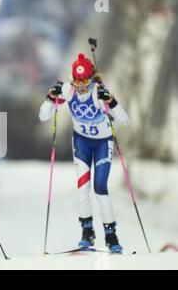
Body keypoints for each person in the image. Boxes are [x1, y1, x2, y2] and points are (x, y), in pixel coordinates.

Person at [39, 53, 130, 253]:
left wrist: (112, 102)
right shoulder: (68, 90)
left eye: (85, 81)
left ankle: (110, 234)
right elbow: (43, 115)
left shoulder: (98, 92)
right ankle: (87, 232)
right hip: (81, 143)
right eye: (78, 81)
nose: (81, 86)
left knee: (100, 188)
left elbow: (126, 121)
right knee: (82, 189)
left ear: (91, 79)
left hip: (102, 144)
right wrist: (50, 97)